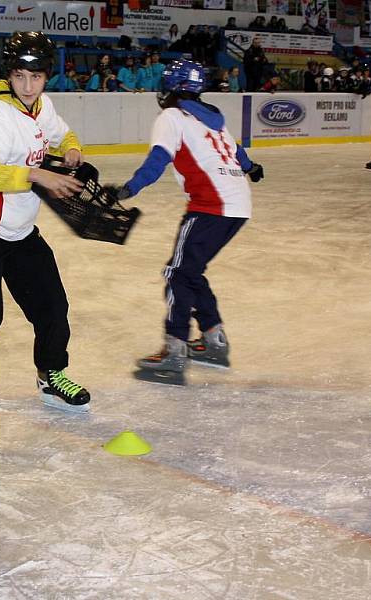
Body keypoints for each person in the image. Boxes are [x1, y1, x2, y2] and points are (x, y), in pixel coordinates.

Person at [107, 59, 264, 385]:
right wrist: (251, 167)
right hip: (238, 203)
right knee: (190, 271)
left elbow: (158, 159)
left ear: (170, 90)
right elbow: (236, 150)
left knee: (178, 274)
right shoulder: (212, 117)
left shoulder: (172, 116)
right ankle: (213, 340)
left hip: (211, 205)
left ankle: (175, 349)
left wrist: (128, 189)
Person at [0, 31, 92, 412]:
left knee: (52, 307)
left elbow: (61, 132)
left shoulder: (42, 105)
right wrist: (37, 175)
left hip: (21, 232)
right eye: (20, 76)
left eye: (36, 76)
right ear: (10, 73)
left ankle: (51, 375)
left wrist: (70, 147)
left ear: (46, 76)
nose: (27, 85)